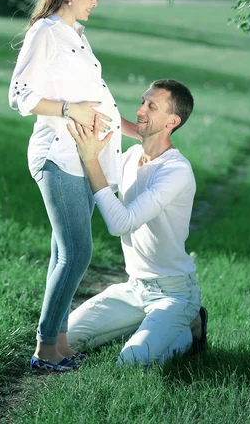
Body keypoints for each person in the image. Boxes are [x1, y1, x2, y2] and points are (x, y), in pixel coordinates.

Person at [8, 0, 139, 372]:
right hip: (57, 156)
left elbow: (99, 103)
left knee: (62, 253)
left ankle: (60, 341)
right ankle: (45, 347)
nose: (95, 3)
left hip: (84, 156)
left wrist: (142, 132)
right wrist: (69, 109)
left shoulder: (76, 36)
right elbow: (19, 94)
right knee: (78, 253)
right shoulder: (45, 33)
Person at [67, 79, 208, 367]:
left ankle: (189, 330)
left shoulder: (176, 171)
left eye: (151, 106)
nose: (140, 109)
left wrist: (91, 160)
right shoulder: (130, 157)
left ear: (172, 121)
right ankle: (151, 326)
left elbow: (122, 223)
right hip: (134, 288)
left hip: (174, 293)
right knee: (65, 337)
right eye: (142, 102)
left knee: (131, 363)